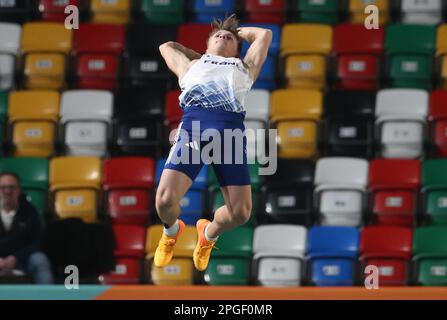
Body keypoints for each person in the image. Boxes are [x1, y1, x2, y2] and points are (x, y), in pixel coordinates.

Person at [155, 14, 272, 271]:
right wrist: (200, 55)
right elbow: (166, 47)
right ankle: (171, 230)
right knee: (164, 200)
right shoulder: (190, 67)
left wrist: (234, 31)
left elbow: (264, 34)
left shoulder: (245, 67)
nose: (223, 36)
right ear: (206, 45)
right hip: (194, 130)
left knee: (240, 213)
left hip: (229, 136)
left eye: (228, 38)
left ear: (237, 49)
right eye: (217, 35)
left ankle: (208, 233)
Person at [0, 172, 54, 284]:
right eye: (3, 187)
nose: (7, 191)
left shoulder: (30, 211)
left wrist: (15, 258)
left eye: (12, 187)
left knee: (40, 260)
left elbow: (37, 243)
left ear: (19, 190)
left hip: (23, 260)